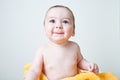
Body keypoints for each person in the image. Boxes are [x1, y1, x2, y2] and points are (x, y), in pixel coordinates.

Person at [24, 5, 99, 80]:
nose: (58, 26)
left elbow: (80, 61)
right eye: (52, 21)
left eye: (65, 21)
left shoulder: (74, 47)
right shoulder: (42, 50)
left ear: (73, 30)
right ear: (45, 29)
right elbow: (34, 70)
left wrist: (88, 65)